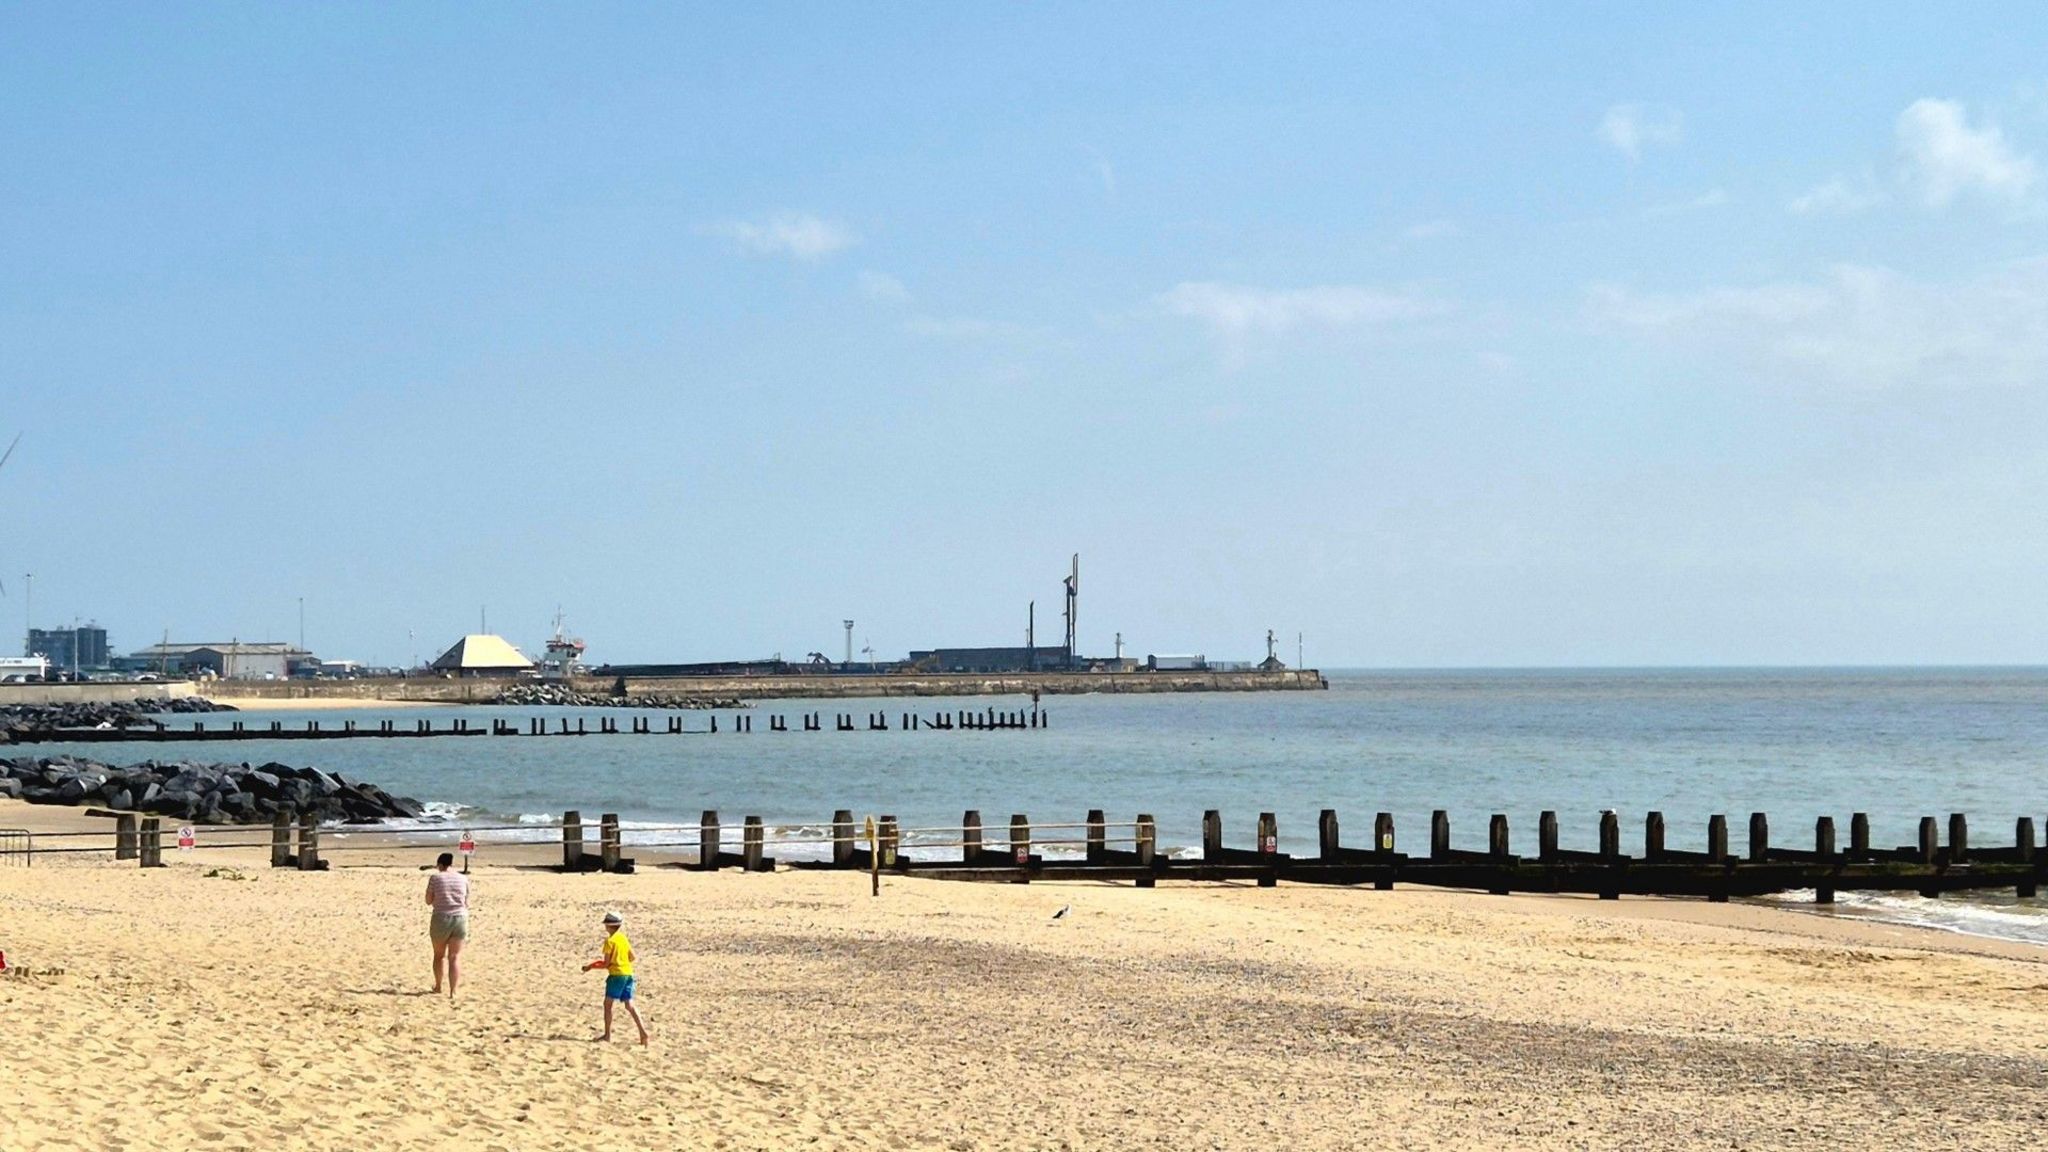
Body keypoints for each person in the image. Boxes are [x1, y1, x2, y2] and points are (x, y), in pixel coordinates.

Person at [582, 911, 649, 1044]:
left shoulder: (609, 941)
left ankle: (607, 1035)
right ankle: (643, 1032)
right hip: (628, 974)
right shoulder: (623, 938)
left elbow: (606, 963)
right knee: (630, 1005)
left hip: (616, 976)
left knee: (607, 1005)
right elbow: (632, 957)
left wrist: (590, 966)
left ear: (608, 926)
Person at [424, 851, 469, 997]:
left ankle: (438, 986)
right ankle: (453, 991)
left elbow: (428, 900)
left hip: (441, 918)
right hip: (460, 918)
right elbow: (466, 902)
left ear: (440, 865)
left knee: (439, 955)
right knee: (455, 957)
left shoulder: (435, 878)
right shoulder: (463, 878)